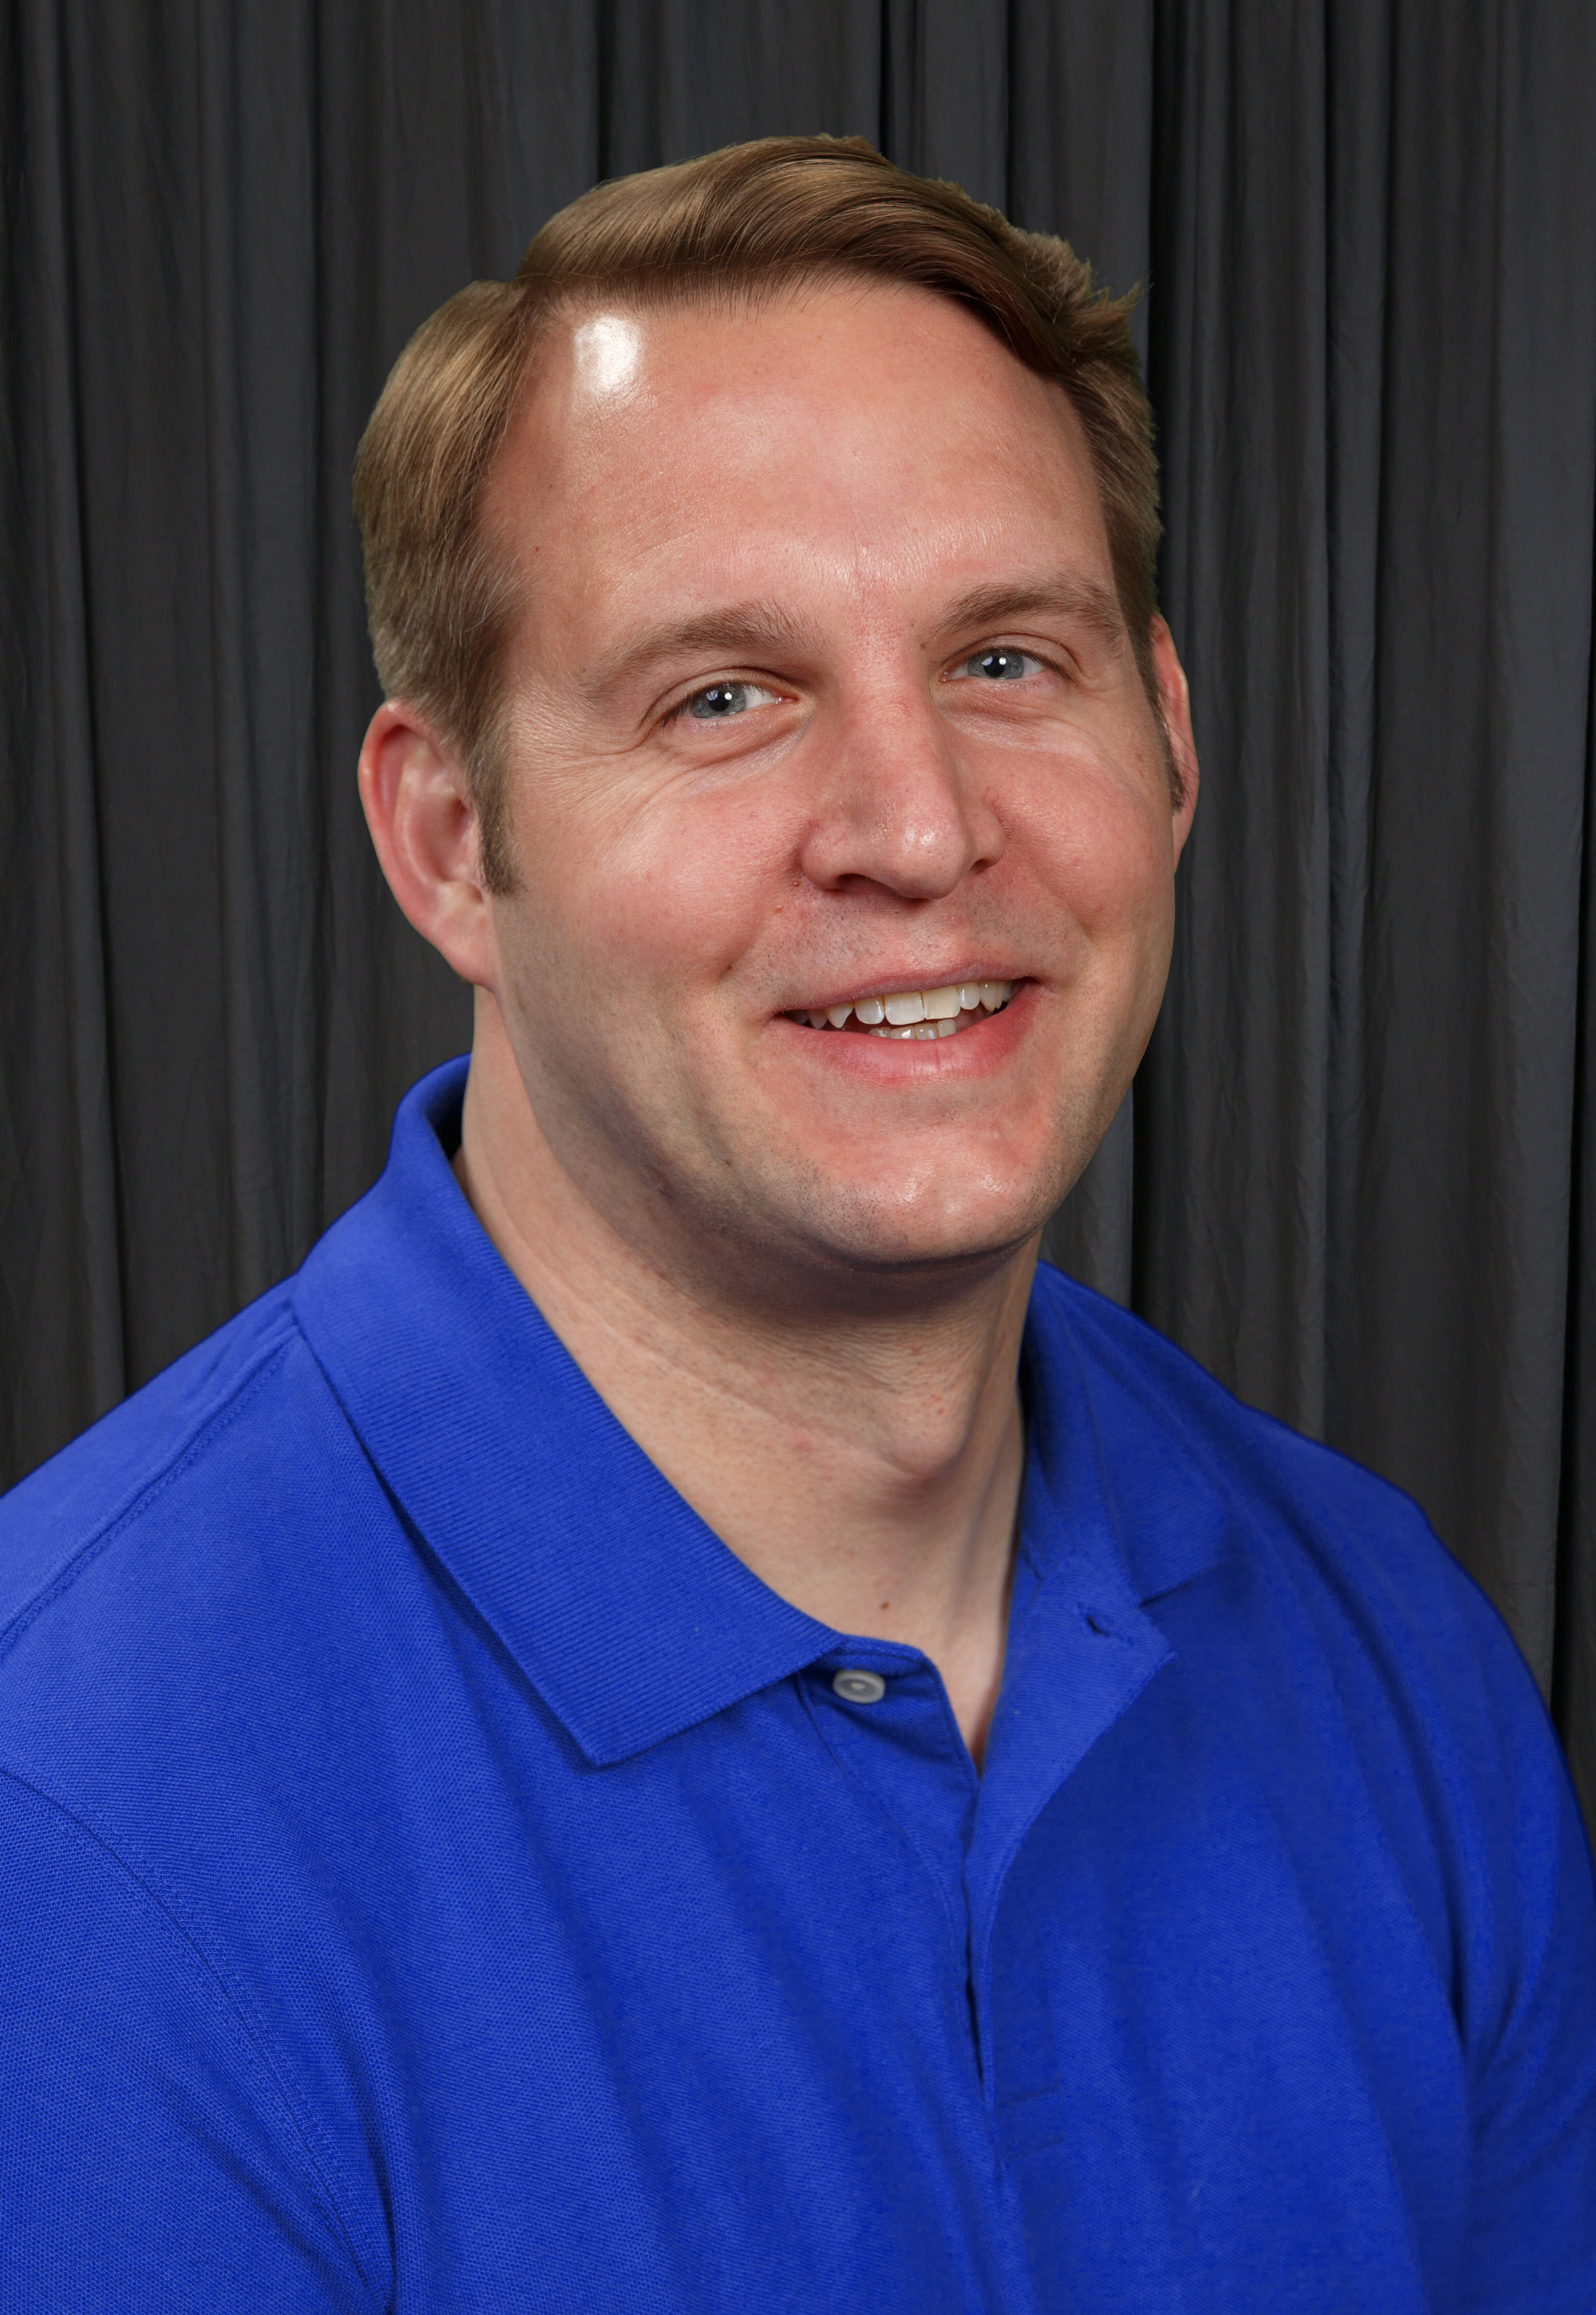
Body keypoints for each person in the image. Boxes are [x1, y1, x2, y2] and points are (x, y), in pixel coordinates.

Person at [0, 136, 1591, 2314]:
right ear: (451, 841)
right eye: (723, 698)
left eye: (1007, 659)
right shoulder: (79, 1819)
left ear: (1170, 742)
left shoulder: (1393, 1659)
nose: (918, 829)